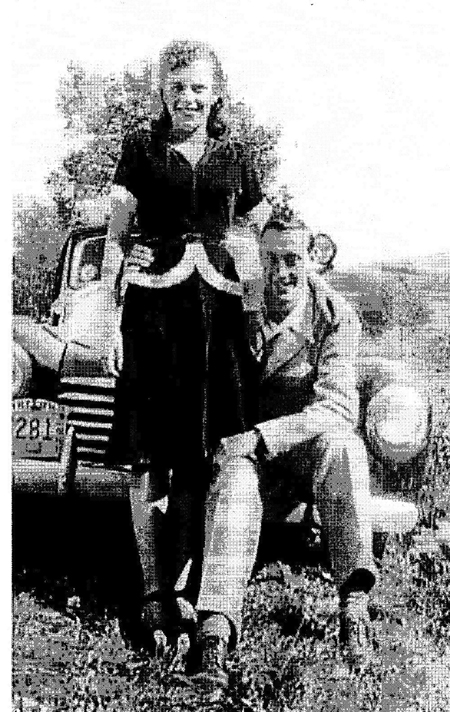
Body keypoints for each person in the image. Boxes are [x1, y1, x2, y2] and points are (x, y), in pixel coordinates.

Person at [102, 40, 263, 645]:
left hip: (216, 314)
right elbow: (117, 229)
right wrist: (123, 263)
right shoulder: (139, 148)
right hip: (153, 310)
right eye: (177, 87)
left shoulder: (235, 154)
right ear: (161, 92)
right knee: (147, 451)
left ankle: (190, 589)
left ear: (216, 93)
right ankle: (150, 593)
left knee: (204, 449)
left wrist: (257, 289)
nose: (188, 98)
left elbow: (258, 228)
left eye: (199, 87)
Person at [186, 218, 376, 696]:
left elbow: (336, 407)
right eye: (270, 259)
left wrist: (263, 437)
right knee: (234, 480)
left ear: (310, 258)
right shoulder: (236, 301)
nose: (281, 273)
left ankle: (354, 607)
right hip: (241, 452)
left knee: (346, 449)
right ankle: (214, 636)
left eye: (292, 259)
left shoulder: (335, 314)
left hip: (298, 447)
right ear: (258, 259)